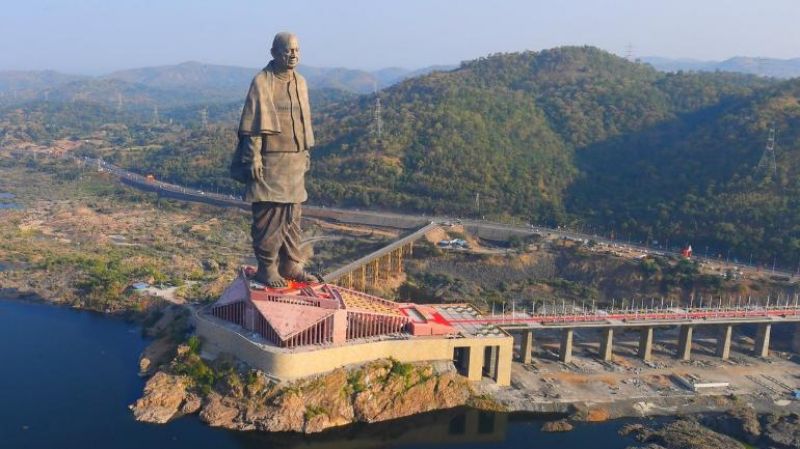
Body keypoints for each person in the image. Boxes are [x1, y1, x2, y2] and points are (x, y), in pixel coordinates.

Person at [231, 32, 320, 287]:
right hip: (270, 158)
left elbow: (303, 122)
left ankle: (291, 263)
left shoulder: (300, 82)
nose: (293, 54)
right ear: (273, 52)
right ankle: (267, 267)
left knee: (293, 213)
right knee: (270, 214)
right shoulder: (262, 81)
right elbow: (252, 127)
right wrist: (254, 156)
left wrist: (305, 152)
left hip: (295, 158)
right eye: (287, 50)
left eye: (296, 50)